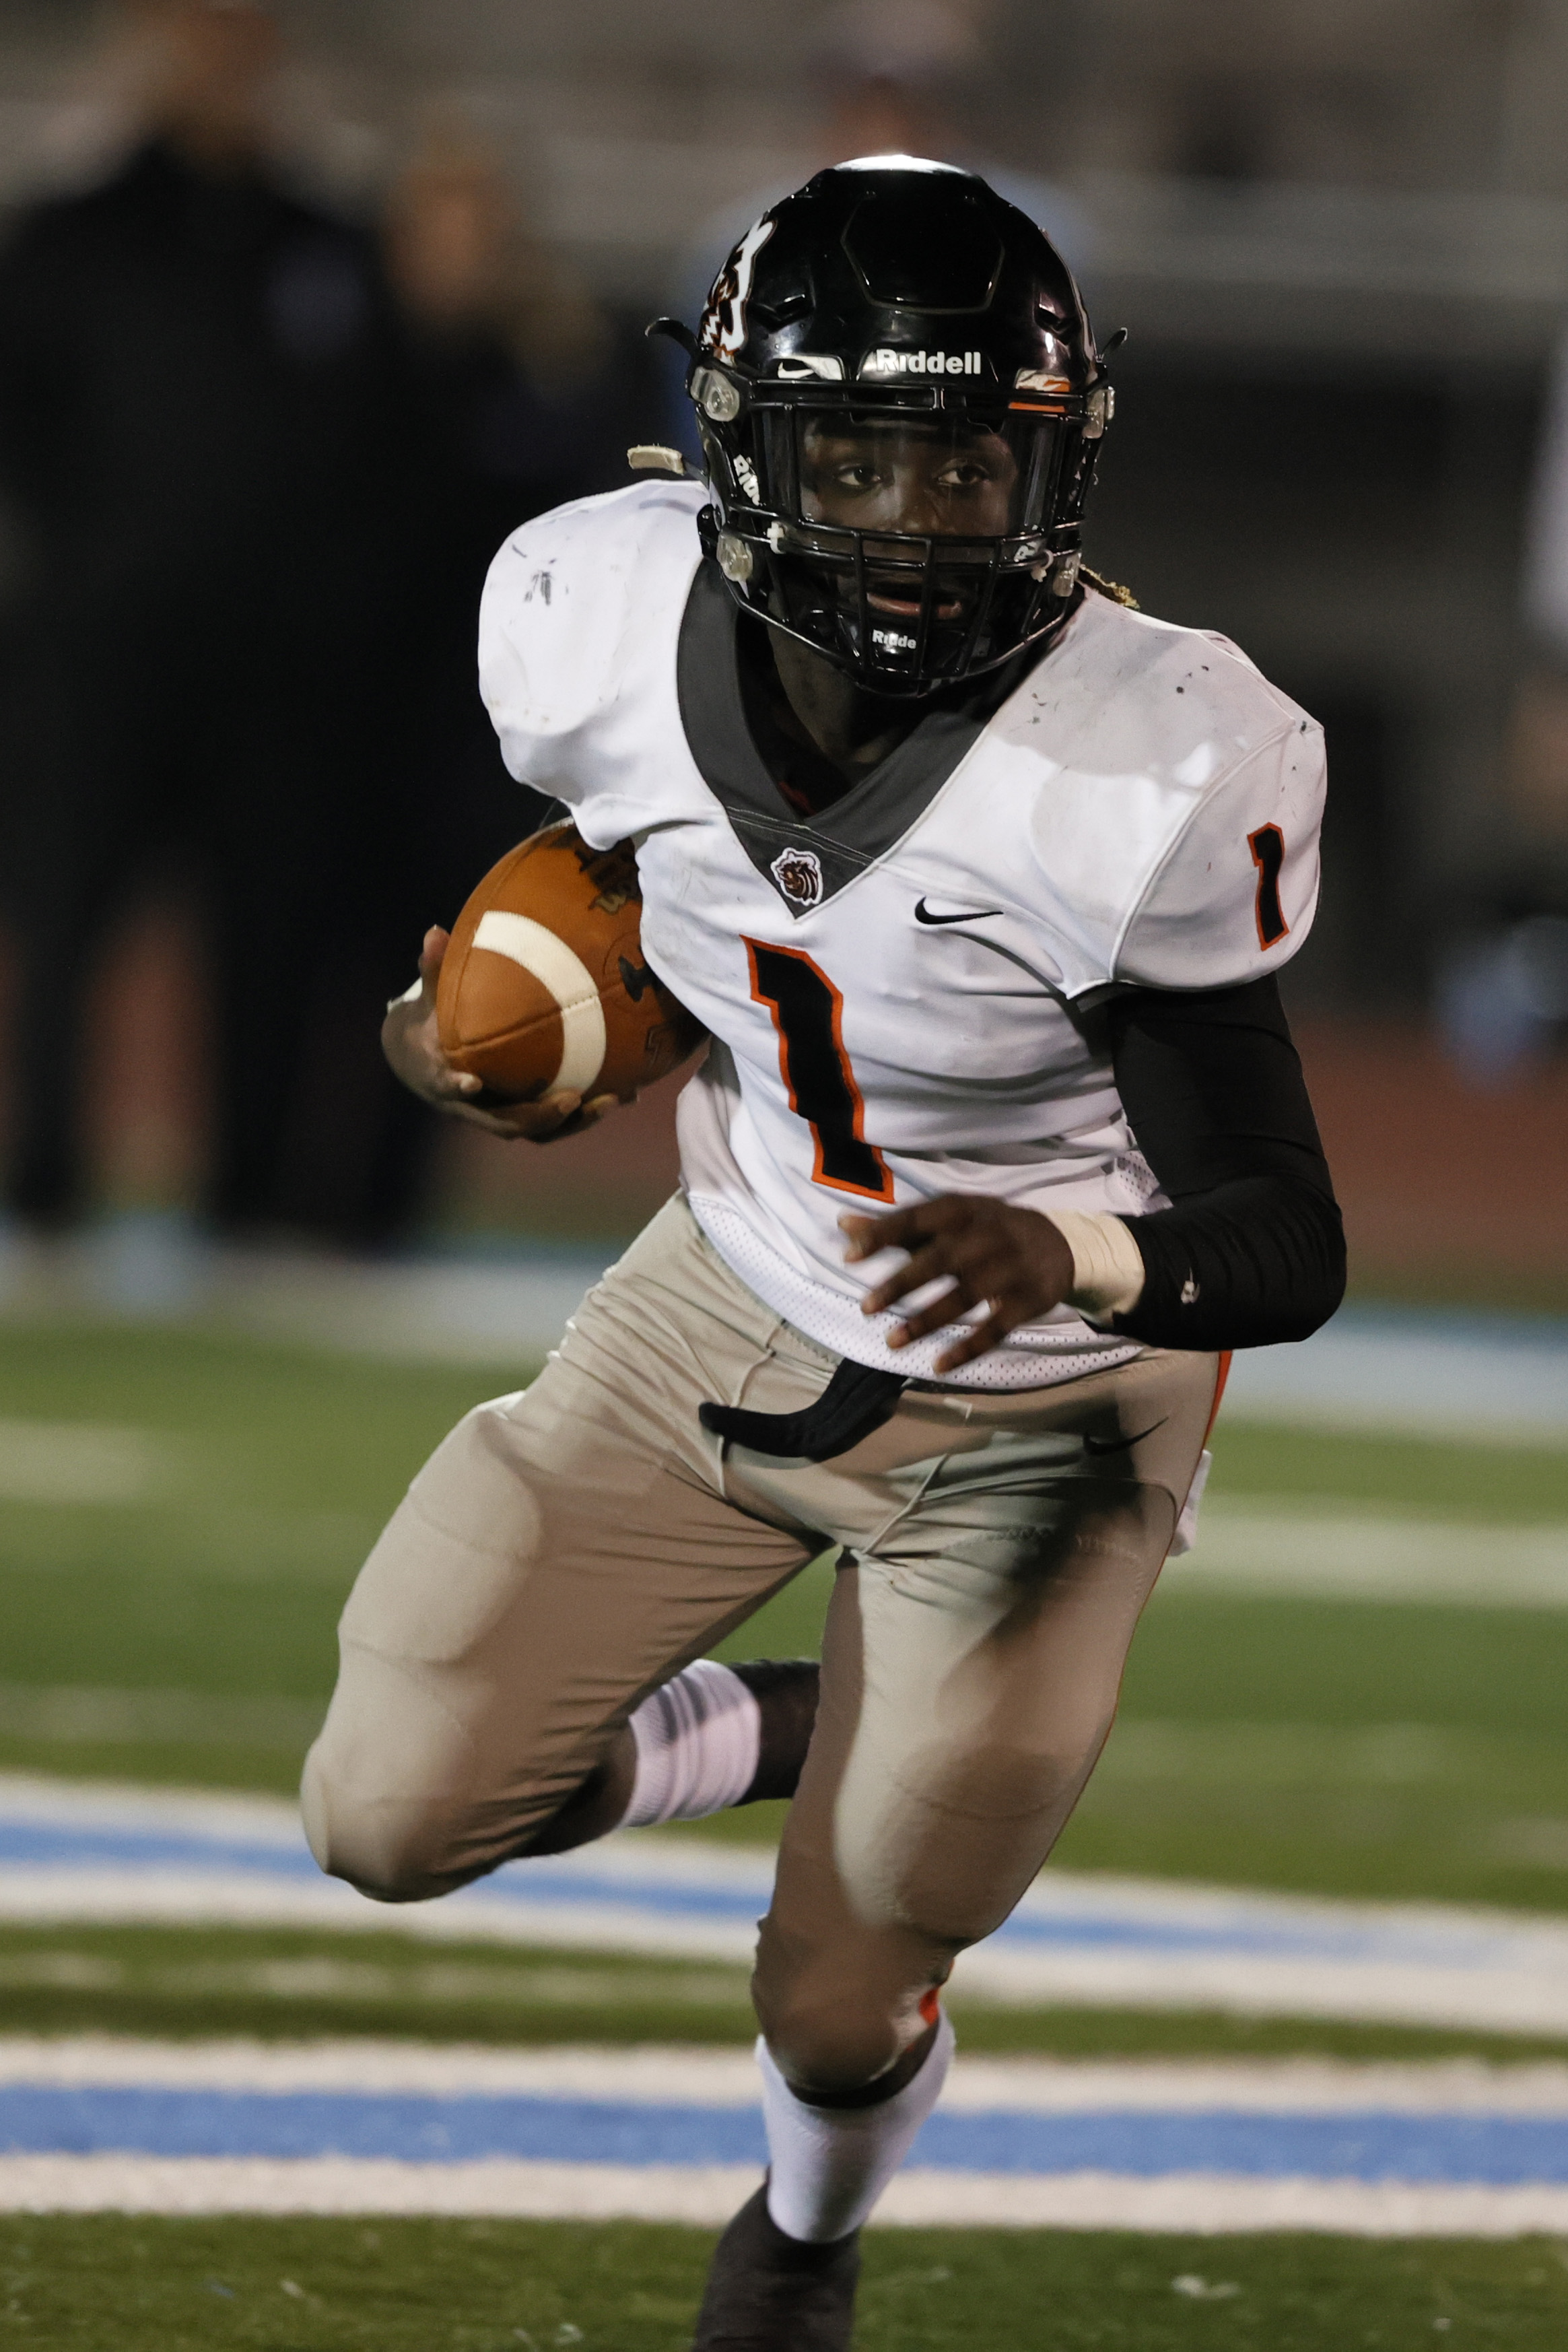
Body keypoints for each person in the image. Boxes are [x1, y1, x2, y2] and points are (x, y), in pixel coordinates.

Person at [304, 160, 1344, 2347]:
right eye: (862, 456)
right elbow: (667, 908)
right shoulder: (586, 612)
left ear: (1053, 461)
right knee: (386, 1808)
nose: (918, 517)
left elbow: (1279, 1233)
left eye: (969, 461)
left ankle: (801, 2233)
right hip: (736, 1285)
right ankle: (751, 1728)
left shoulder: (1142, 756)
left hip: (1052, 1398)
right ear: (743, 447)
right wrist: (482, 1028)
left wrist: (1064, 1252)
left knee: (853, 1975)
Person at [0, 0, 415, 1243]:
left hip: (277, 665)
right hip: (102, 650)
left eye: (242, 34)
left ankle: (247, 1200)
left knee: (272, 929)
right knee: (68, 915)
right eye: (198, 33)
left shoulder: (328, 241)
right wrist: (88, 572)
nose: (222, 60)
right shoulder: (70, 232)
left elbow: (372, 445)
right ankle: (45, 1190)